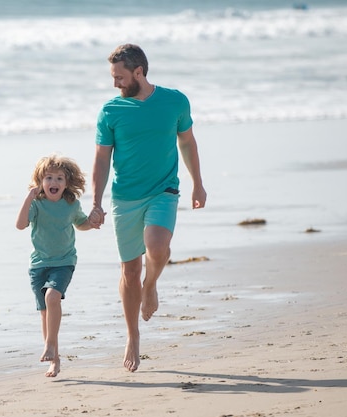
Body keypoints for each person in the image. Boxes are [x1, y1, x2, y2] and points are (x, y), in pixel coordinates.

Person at [89, 44, 207, 372]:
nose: (115, 83)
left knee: (157, 246)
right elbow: (101, 159)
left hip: (163, 191)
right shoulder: (110, 111)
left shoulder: (175, 101)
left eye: (119, 77)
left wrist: (197, 182)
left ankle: (151, 284)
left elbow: (187, 141)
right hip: (125, 197)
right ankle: (132, 336)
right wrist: (96, 202)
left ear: (138, 72)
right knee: (129, 270)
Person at [16, 154, 100, 377]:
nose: (54, 183)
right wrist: (28, 198)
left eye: (60, 178)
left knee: (52, 297)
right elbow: (20, 224)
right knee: (45, 313)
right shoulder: (37, 204)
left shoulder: (70, 204)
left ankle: (50, 346)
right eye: (49, 178)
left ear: (67, 182)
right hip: (38, 265)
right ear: (40, 181)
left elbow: (80, 223)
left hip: (64, 262)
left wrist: (92, 223)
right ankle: (55, 359)